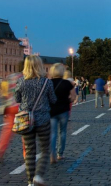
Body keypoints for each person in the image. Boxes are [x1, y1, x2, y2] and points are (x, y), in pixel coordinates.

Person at [14, 55, 57, 186]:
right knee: (45, 149)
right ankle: (38, 176)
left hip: (26, 120)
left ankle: (29, 181)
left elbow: (17, 99)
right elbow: (53, 99)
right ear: (40, 66)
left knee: (29, 151)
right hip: (43, 119)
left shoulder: (21, 82)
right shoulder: (46, 82)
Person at [49, 63, 76, 163]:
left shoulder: (49, 82)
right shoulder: (67, 83)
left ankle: (52, 154)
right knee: (63, 132)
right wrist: (68, 100)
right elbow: (73, 97)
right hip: (64, 110)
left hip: (52, 111)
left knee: (53, 133)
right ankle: (60, 154)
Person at [0, 72, 23, 161]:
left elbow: (4, 95)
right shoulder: (24, 78)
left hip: (10, 108)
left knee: (6, 132)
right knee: (24, 132)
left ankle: (0, 151)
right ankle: (26, 154)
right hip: (20, 108)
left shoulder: (9, 79)